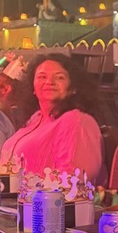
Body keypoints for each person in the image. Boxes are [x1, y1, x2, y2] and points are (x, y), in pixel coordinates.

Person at [0, 53, 104, 183]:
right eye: (42, 77)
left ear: (73, 88)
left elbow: (72, 180)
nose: (49, 82)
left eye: (59, 77)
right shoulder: (36, 118)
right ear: (33, 87)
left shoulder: (76, 120)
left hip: (38, 202)